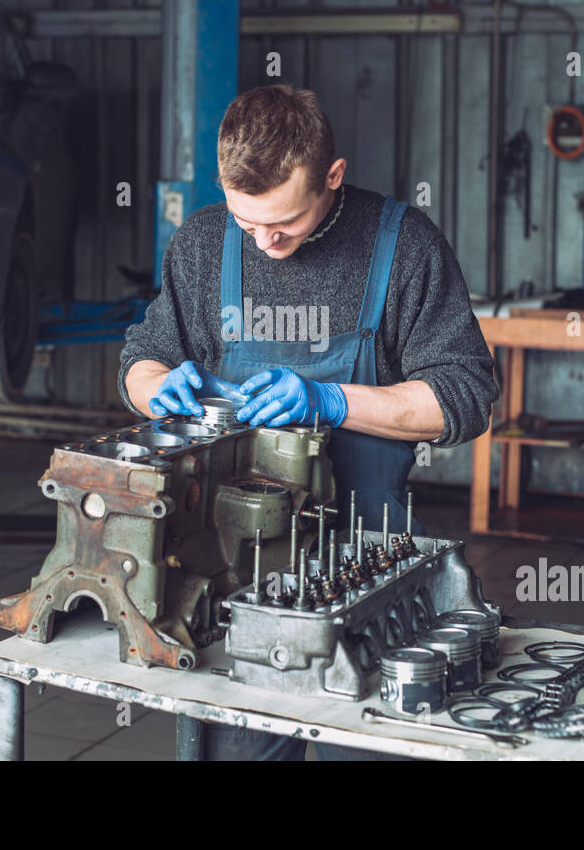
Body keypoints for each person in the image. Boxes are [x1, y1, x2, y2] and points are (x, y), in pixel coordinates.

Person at [119, 84, 498, 759]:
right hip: (237, 585)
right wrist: (157, 391)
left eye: (284, 223)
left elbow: (464, 397)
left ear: (332, 177)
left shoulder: (402, 245)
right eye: (247, 221)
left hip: (368, 578)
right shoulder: (205, 244)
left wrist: (333, 401)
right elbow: (142, 359)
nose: (265, 242)